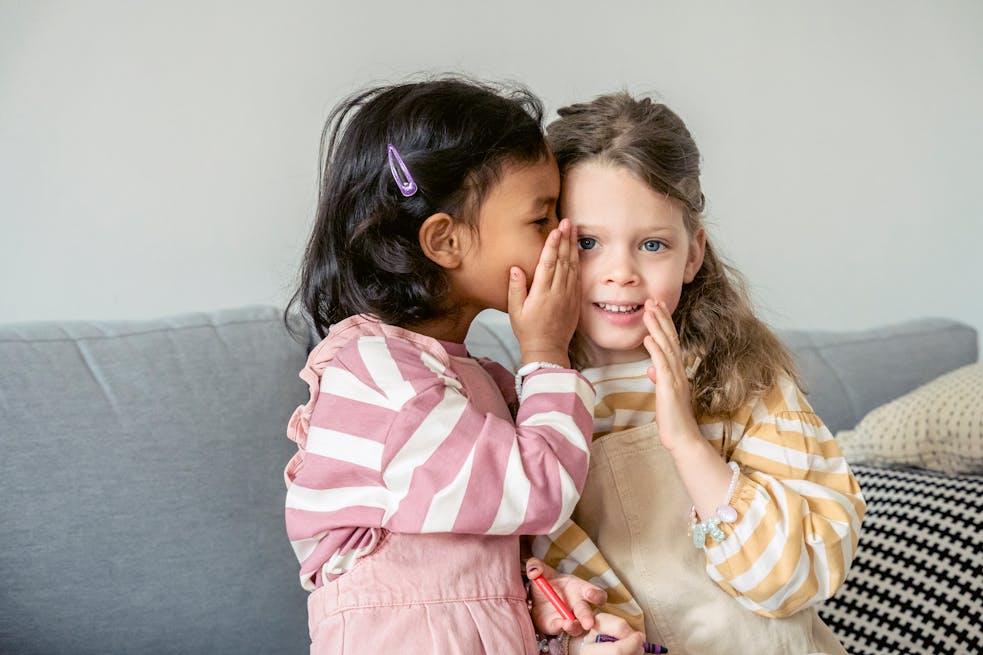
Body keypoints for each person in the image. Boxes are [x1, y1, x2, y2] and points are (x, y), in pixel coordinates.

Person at [282, 78, 644, 654]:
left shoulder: (472, 377)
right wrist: (547, 353)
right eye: (541, 218)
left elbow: (476, 545)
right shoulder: (381, 380)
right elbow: (539, 489)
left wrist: (536, 602)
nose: (563, 239)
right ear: (445, 241)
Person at [530, 92, 867, 655]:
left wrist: (686, 442)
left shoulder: (748, 385)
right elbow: (521, 585)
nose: (620, 274)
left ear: (692, 254)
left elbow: (798, 580)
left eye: (653, 245)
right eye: (588, 243)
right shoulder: (526, 407)